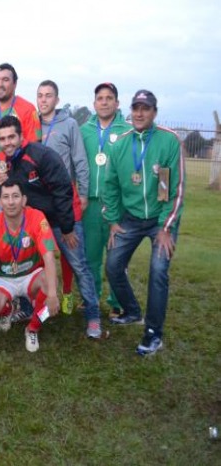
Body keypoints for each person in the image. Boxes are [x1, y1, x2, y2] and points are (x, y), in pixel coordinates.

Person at [0, 116, 104, 339]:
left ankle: (93, 318)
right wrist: (4, 182)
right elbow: (19, 194)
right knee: (29, 266)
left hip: (61, 220)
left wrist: (66, 227)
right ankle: (27, 309)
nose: (7, 142)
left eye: (11, 137)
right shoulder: (9, 163)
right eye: (2, 138)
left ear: (21, 136)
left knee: (79, 265)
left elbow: (63, 189)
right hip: (37, 223)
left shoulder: (41, 155)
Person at [104, 89, 185, 356]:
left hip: (160, 221)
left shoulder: (168, 141)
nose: (139, 113)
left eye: (145, 108)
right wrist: (114, 221)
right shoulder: (120, 145)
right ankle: (132, 311)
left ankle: (153, 333)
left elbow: (173, 190)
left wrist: (165, 228)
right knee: (113, 265)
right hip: (130, 218)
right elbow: (111, 185)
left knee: (158, 270)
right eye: (136, 108)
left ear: (154, 112)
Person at [0, 180, 60, 352]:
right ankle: (9, 309)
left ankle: (32, 328)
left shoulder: (37, 218)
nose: (11, 201)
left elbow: (49, 257)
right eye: (6, 197)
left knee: (49, 282)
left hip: (32, 274)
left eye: (15, 196)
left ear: (24, 200)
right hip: (5, 277)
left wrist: (52, 294)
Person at [36, 80, 90, 313]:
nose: (44, 100)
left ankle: (67, 293)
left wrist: (84, 193)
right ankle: (40, 296)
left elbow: (79, 159)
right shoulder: (33, 123)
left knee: (69, 246)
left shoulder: (69, 124)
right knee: (40, 249)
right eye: (40, 95)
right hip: (38, 196)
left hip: (63, 195)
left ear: (57, 100)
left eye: (49, 95)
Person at [80, 82, 129, 317]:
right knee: (90, 257)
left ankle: (118, 303)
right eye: (100, 98)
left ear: (117, 103)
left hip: (116, 206)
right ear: (94, 103)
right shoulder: (85, 130)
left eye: (109, 98)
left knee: (117, 258)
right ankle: (90, 298)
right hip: (90, 203)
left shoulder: (126, 130)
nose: (105, 101)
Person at [0, 63, 41, 219]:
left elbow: (34, 152)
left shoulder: (28, 109)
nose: (0, 84)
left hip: (18, 187)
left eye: (5, 79)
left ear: (15, 83)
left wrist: (15, 177)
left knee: (17, 238)